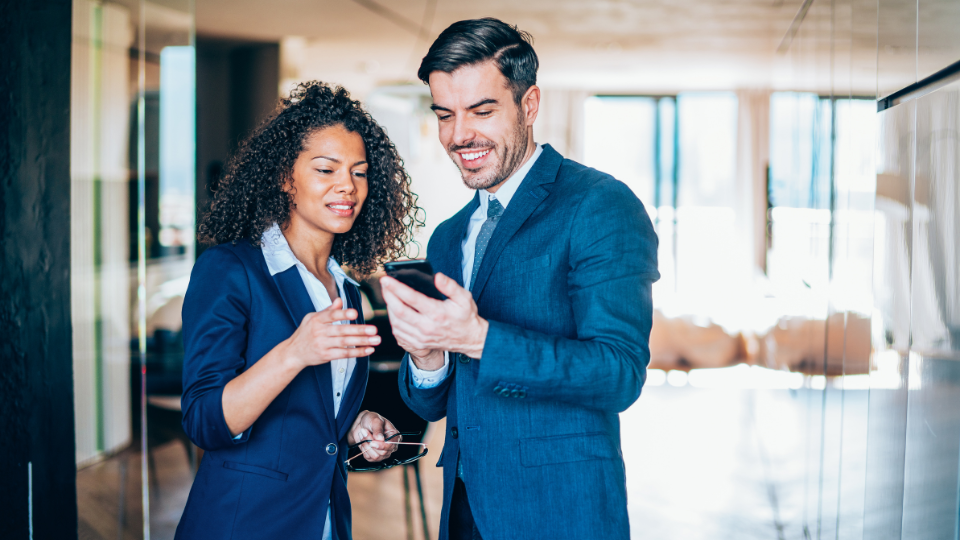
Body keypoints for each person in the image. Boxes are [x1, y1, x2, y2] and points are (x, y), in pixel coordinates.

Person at [380, 18, 660, 540]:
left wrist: (478, 338)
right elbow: (435, 403)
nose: (460, 135)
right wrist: (426, 355)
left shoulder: (600, 205)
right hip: (463, 510)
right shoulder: (448, 236)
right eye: (445, 115)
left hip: (560, 513)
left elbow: (619, 372)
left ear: (529, 105)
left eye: (481, 111)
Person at [176, 81, 422, 540]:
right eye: (326, 170)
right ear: (285, 176)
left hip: (325, 521)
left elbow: (312, 411)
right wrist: (294, 352)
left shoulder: (347, 292)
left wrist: (355, 425)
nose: (347, 186)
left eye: (359, 172)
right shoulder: (230, 269)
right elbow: (204, 420)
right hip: (244, 522)